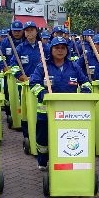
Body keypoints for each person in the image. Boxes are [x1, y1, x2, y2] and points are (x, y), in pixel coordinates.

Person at [29, 37, 92, 170]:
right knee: (43, 139)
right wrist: (42, 94)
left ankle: (67, 158)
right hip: (46, 112)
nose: (60, 50)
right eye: (57, 48)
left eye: (63, 48)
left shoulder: (74, 66)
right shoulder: (43, 67)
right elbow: (33, 84)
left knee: (67, 136)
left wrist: (86, 90)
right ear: (51, 50)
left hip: (69, 113)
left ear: (67, 50)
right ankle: (42, 161)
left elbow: (86, 82)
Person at [10, 21, 50, 152]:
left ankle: (44, 137)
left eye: (32, 30)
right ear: (24, 33)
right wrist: (20, 76)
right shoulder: (20, 48)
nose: (29, 33)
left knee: (43, 111)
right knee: (26, 112)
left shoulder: (44, 47)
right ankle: (28, 136)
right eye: (27, 31)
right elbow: (14, 66)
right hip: (26, 86)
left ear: (36, 31)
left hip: (43, 86)